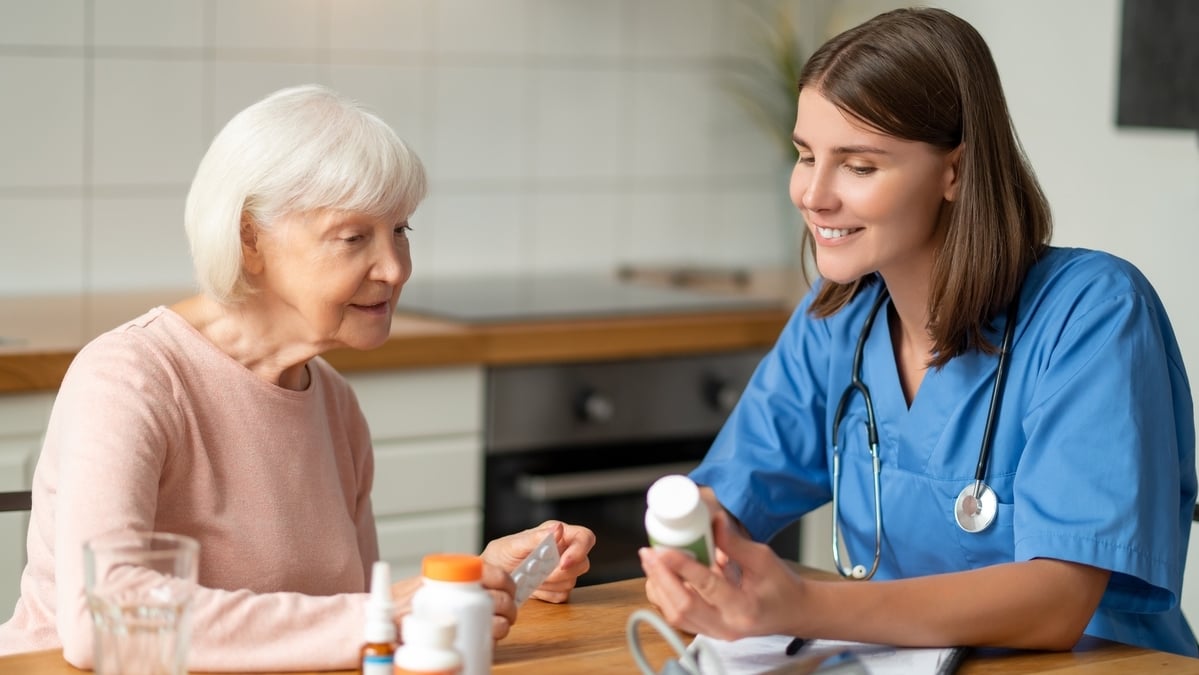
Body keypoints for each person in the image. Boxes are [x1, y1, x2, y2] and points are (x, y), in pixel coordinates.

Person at [639, 7, 1197, 658]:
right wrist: (676, 548)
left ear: (954, 171)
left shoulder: (1092, 311)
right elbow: (727, 501)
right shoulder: (837, 318)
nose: (813, 194)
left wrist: (801, 604)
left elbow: (1059, 600)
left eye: (858, 166)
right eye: (805, 156)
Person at [0, 84, 595, 670]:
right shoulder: (130, 379)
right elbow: (103, 618)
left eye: (400, 230)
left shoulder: (333, 402)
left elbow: (336, 623)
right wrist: (384, 616)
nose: (394, 269)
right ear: (249, 239)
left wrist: (469, 587)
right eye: (353, 237)